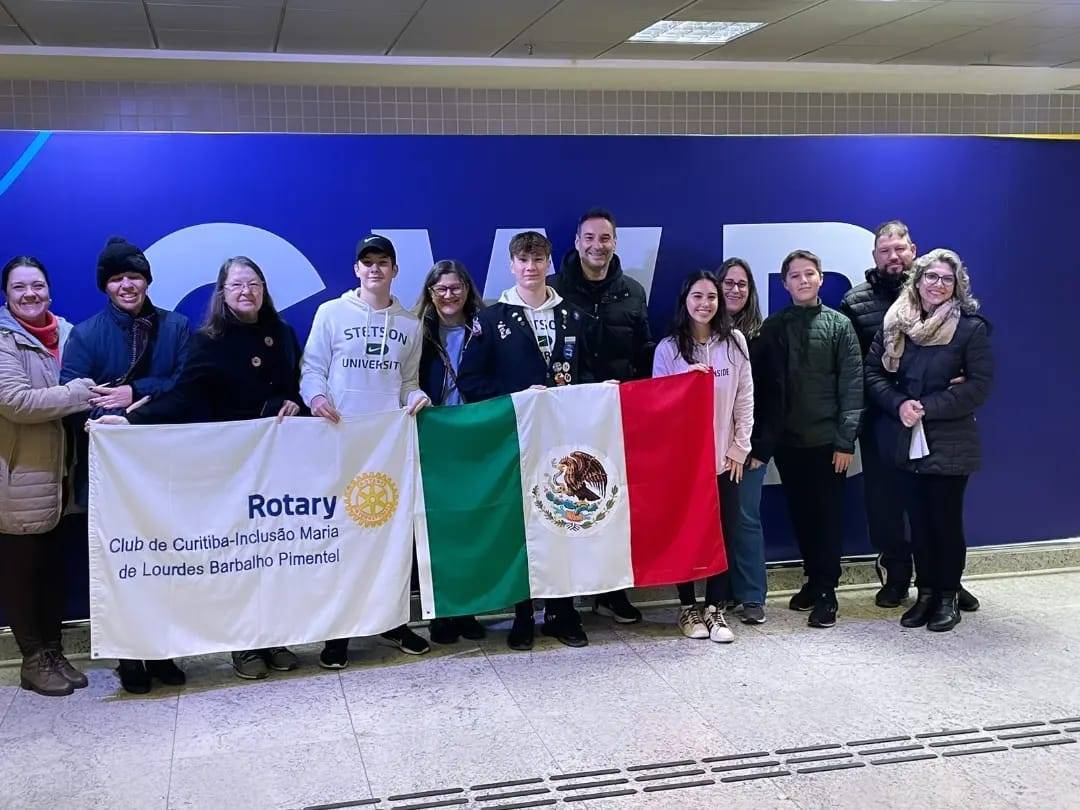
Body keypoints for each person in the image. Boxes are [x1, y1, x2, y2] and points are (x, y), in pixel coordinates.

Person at [92, 256, 306, 679]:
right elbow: (183, 396)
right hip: (230, 467)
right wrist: (130, 421)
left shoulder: (282, 333)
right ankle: (244, 646)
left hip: (276, 465)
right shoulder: (208, 340)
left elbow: (292, 387)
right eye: (237, 285)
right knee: (241, 558)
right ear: (222, 293)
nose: (247, 292)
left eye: (254, 284)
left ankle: (274, 636)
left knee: (275, 555)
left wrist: (293, 401)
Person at [60, 236, 190, 694]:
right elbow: (73, 395)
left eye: (134, 275)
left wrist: (133, 392)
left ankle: (163, 650)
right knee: (121, 566)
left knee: (166, 561)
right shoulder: (86, 333)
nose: (126, 284)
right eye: (117, 277)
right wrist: (106, 405)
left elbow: (186, 383)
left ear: (147, 280)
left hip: (164, 467)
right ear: (105, 286)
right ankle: (128, 655)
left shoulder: (177, 327)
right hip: (112, 475)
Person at [458, 230, 596, 651]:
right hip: (514, 439)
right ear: (512, 265)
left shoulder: (574, 316)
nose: (531, 267)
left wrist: (596, 392)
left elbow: (589, 372)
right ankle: (522, 612)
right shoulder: (491, 318)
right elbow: (470, 381)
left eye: (539, 260)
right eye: (523, 260)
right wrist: (516, 399)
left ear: (549, 263)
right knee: (520, 525)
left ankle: (562, 610)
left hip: (564, 442)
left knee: (563, 519)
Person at [301, 234, 431, 669]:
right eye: (367, 262)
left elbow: (408, 382)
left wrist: (415, 399)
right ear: (356, 270)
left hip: (388, 450)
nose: (374, 269)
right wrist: (317, 399)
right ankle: (338, 633)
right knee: (341, 538)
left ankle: (391, 621)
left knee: (389, 539)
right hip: (339, 443)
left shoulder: (412, 324)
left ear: (395, 270)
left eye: (383, 262)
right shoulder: (331, 314)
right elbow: (312, 368)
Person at [841, 221, 979, 612]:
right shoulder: (856, 301)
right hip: (884, 419)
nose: (893, 257)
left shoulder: (938, 297)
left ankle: (941, 583)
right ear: (874, 256)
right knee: (886, 509)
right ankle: (899, 578)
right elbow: (860, 369)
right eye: (885, 251)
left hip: (934, 421)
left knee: (936, 509)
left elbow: (970, 355)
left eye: (899, 249)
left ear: (913, 250)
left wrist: (964, 374)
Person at [865, 249, 993, 632]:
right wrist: (900, 404)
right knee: (917, 522)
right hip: (906, 439)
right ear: (916, 280)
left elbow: (979, 385)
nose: (937, 284)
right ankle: (925, 594)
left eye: (946, 279)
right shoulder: (895, 324)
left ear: (957, 287)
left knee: (945, 521)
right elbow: (874, 374)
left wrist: (927, 406)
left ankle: (948, 595)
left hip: (950, 440)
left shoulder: (970, 328)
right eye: (931, 277)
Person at [548, 207, 653, 625]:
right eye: (589, 238)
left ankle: (612, 591)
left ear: (615, 242)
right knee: (565, 506)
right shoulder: (553, 290)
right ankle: (563, 601)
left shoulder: (632, 291)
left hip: (618, 417)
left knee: (612, 503)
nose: (597, 246)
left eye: (605, 238)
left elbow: (645, 351)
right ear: (576, 242)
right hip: (566, 417)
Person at [0, 257, 96, 696]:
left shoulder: (70, 333)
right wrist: (77, 394)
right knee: (24, 568)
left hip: (64, 471)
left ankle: (54, 652)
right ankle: (32, 657)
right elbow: (15, 401)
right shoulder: (3, 339)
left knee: (55, 567)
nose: (30, 294)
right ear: (7, 295)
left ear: (50, 291)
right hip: (21, 472)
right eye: (19, 287)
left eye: (37, 285)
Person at [756, 249, 862, 629]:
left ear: (821, 279)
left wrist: (845, 440)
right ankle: (811, 581)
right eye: (795, 275)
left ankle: (827, 592)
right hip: (789, 443)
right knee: (800, 515)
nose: (803, 280)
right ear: (784, 284)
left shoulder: (839, 326)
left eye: (810, 274)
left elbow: (852, 385)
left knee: (827, 518)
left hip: (827, 443)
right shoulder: (773, 326)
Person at [652, 271, 753, 643]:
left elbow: (745, 399)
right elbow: (657, 406)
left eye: (712, 296)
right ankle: (687, 606)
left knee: (723, 533)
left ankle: (715, 608)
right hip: (683, 463)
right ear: (685, 301)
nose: (705, 303)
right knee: (686, 532)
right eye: (697, 296)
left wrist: (739, 448)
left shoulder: (735, 343)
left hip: (725, 460)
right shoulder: (667, 349)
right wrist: (684, 385)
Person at [415, 259, 487, 645]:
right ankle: (440, 612)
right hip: (433, 435)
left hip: (476, 433)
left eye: (456, 287)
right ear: (430, 293)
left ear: (467, 290)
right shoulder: (417, 332)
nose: (449, 295)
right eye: (441, 289)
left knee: (472, 525)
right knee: (437, 528)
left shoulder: (484, 329)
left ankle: (468, 608)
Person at [716, 258, 774, 625]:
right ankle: (721, 595)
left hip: (749, 449)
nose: (735, 290)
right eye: (728, 283)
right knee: (716, 521)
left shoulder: (764, 336)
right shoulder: (701, 335)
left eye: (742, 284)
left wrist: (758, 448)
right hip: (711, 447)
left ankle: (752, 595)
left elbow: (775, 396)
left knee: (745, 519)